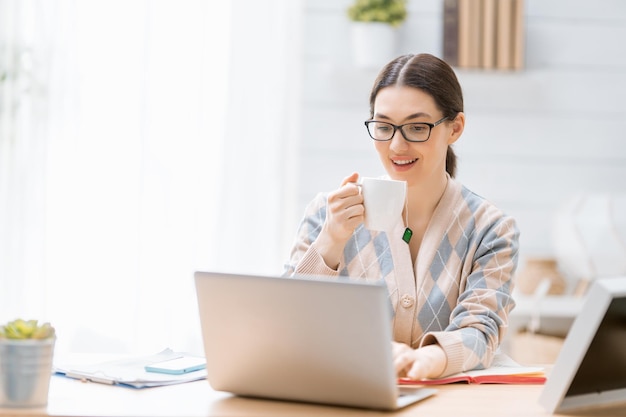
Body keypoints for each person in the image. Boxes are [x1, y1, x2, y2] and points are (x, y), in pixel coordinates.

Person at [283, 53, 519, 381]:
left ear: (455, 128)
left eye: (417, 127)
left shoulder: (491, 229)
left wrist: (430, 359)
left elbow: (480, 331)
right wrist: (331, 241)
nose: (397, 145)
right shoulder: (327, 213)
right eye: (383, 127)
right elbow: (288, 323)